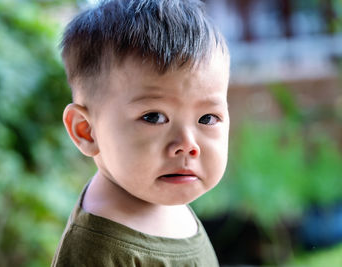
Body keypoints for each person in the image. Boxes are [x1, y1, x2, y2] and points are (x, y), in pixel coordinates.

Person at [52, 0, 230, 266]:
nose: (187, 145)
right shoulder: (99, 250)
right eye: (154, 117)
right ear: (86, 131)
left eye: (207, 118)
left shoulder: (165, 199)